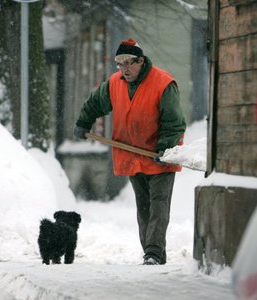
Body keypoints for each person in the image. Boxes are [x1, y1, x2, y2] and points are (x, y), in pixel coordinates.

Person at [73, 38, 186, 265]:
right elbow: (95, 103)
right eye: (119, 64)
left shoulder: (163, 84)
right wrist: (84, 123)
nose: (124, 69)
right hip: (133, 156)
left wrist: (164, 148)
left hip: (160, 156)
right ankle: (152, 254)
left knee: (158, 205)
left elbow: (174, 122)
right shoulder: (115, 83)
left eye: (128, 63)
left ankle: (153, 252)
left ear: (141, 61)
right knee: (143, 207)